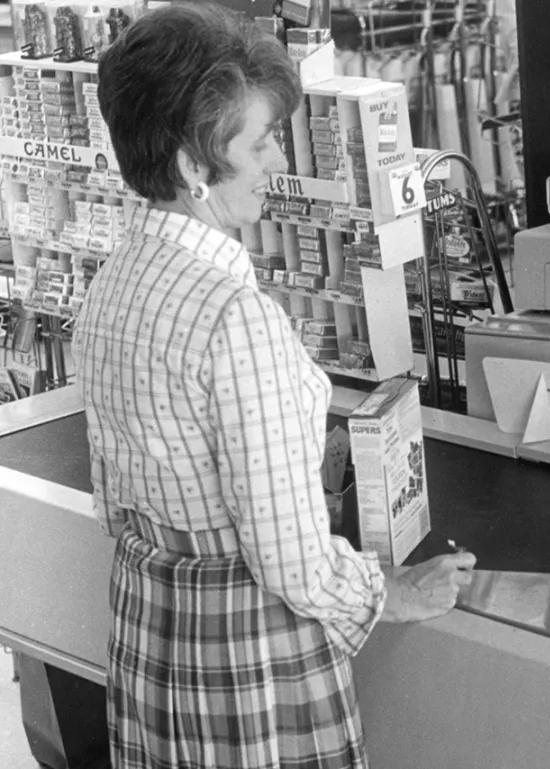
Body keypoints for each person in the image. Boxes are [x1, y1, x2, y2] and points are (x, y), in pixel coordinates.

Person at [73, 4, 476, 768]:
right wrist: (392, 591)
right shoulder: (234, 318)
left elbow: (113, 495)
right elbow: (292, 562)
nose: (272, 163)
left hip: (155, 644)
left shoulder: (112, 286)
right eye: (258, 142)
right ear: (196, 166)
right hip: (247, 668)